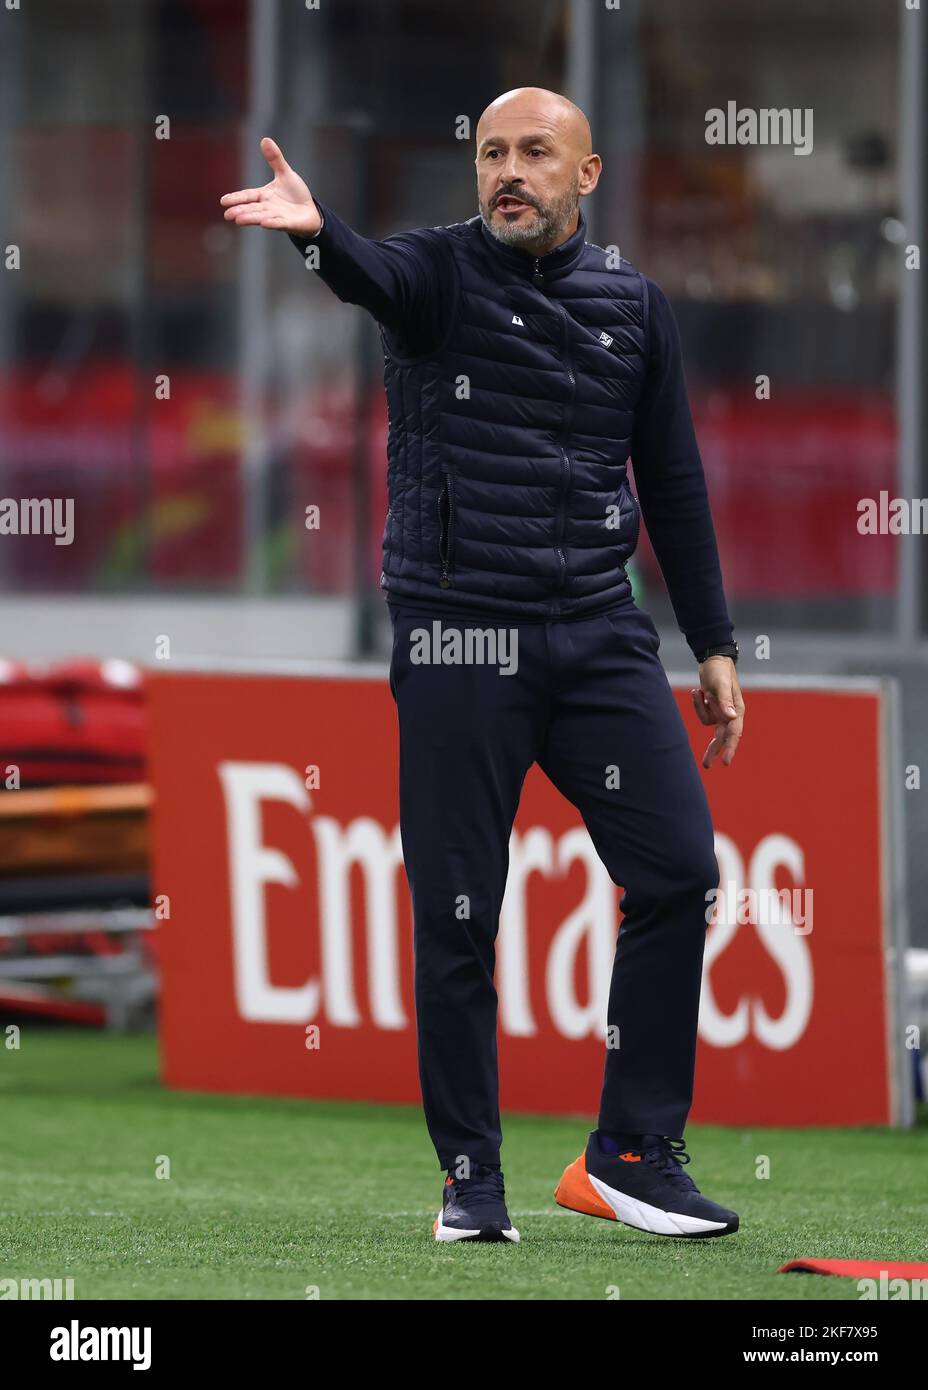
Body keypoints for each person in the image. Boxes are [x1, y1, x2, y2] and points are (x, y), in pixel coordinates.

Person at [221, 86, 745, 1245]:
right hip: (460, 631)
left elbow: (673, 484)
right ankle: (472, 1178)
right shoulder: (436, 275)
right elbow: (370, 274)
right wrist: (317, 236)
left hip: (598, 629)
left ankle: (629, 1155)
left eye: (535, 155)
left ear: (586, 175)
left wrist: (710, 642)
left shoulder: (634, 306)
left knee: (676, 870)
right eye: (492, 154)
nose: (509, 171)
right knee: (459, 910)